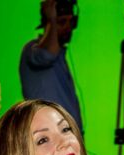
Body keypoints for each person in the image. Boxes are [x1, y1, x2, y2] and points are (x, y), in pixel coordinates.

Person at [19, 0, 82, 132]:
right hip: (51, 137)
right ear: (48, 25)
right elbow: (47, 55)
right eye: (62, 22)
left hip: (68, 135)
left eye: (71, 22)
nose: (68, 28)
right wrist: (52, 20)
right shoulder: (31, 50)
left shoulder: (60, 55)